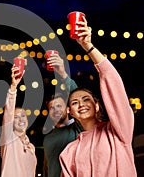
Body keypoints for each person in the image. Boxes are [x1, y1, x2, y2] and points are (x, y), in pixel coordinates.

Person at [59, 17, 137, 176]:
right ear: (70, 112)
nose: (81, 104)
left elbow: (112, 81)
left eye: (86, 99)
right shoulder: (68, 152)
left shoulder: (118, 131)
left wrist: (87, 46)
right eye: (74, 102)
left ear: (97, 105)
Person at [42, 54, 83, 177]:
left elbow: (77, 97)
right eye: (52, 108)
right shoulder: (47, 138)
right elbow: (47, 167)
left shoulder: (78, 129)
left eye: (59, 106)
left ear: (68, 109)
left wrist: (63, 73)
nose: (56, 110)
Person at [0, 64, 37, 177]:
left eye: (23, 116)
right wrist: (13, 87)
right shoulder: (8, 138)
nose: (20, 119)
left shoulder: (31, 146)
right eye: (16, 117)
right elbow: (8, 114)